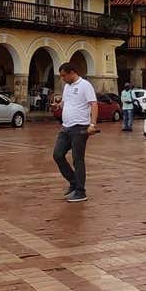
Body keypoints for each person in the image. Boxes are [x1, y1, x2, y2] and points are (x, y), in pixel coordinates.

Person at [51, 62, 98, 203]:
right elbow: (66, 102)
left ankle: (81, 191)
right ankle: (73, 182)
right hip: (66, 127)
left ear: (72, 73)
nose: (62, 78)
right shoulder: (67, 86)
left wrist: (92, 124)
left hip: (80, 128)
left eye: (64, 75)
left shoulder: (85, 85)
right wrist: (58, 106)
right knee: (57, 155)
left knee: (78, 159)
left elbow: (93, 104)